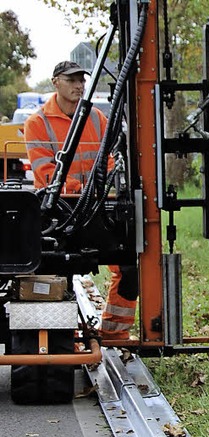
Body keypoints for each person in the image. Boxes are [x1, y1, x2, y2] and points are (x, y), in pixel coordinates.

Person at [24, 60, 137, 342]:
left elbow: (109, 160)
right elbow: (45, 172)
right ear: (55, 82)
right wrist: (83, 189)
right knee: (54, 272)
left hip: (94, 207)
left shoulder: (97, 119)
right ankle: (53, 337)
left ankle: (113, 334)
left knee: (128, 266)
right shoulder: (37, 123)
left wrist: (104, 186)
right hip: (57, 212)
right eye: (71, 80)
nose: (78, 85)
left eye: (81, 80)